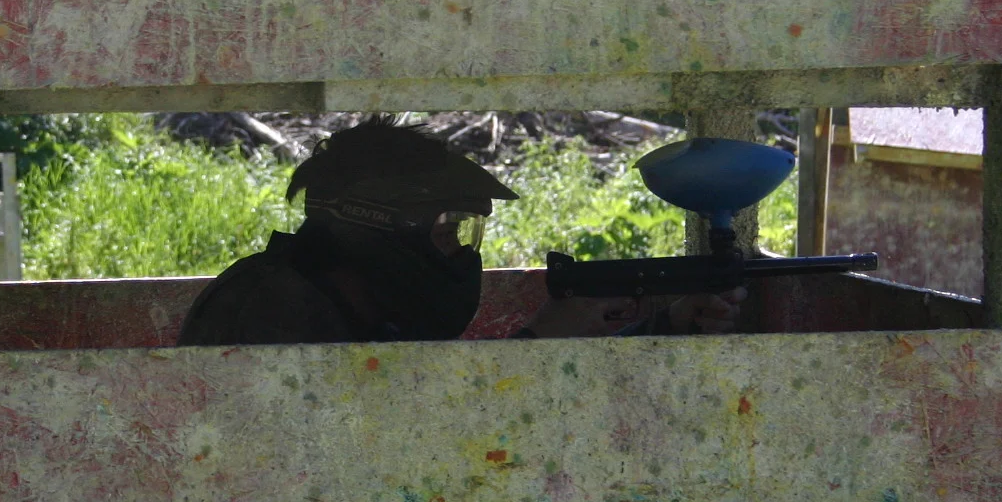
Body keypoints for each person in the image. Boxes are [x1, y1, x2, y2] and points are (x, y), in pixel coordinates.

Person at [176, 117, 743, 346]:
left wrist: (664, 325)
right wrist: (541, 345)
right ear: (379, 226)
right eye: (450, 228)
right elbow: (415, 440)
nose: (461, 253)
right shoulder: (271, 309)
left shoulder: (353, 307)